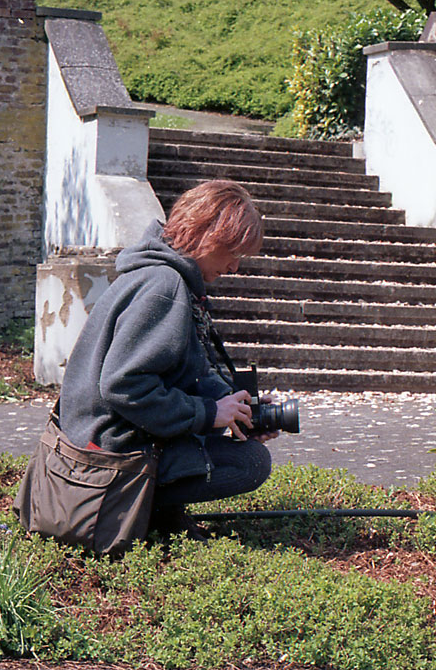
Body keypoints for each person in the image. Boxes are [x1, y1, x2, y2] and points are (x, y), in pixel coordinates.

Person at [57, 179, 275, 538]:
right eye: (232, 252)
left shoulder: (163, 275)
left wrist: (236, 406)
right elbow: (125, 385)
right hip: (106, 455)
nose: (234, 266)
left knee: (237, 448)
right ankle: (145, 512)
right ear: (206, 233)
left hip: (105, 437)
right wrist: (208, 413)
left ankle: (162, 513)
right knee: (249, 462)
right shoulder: (164, 286)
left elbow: (188, 372)